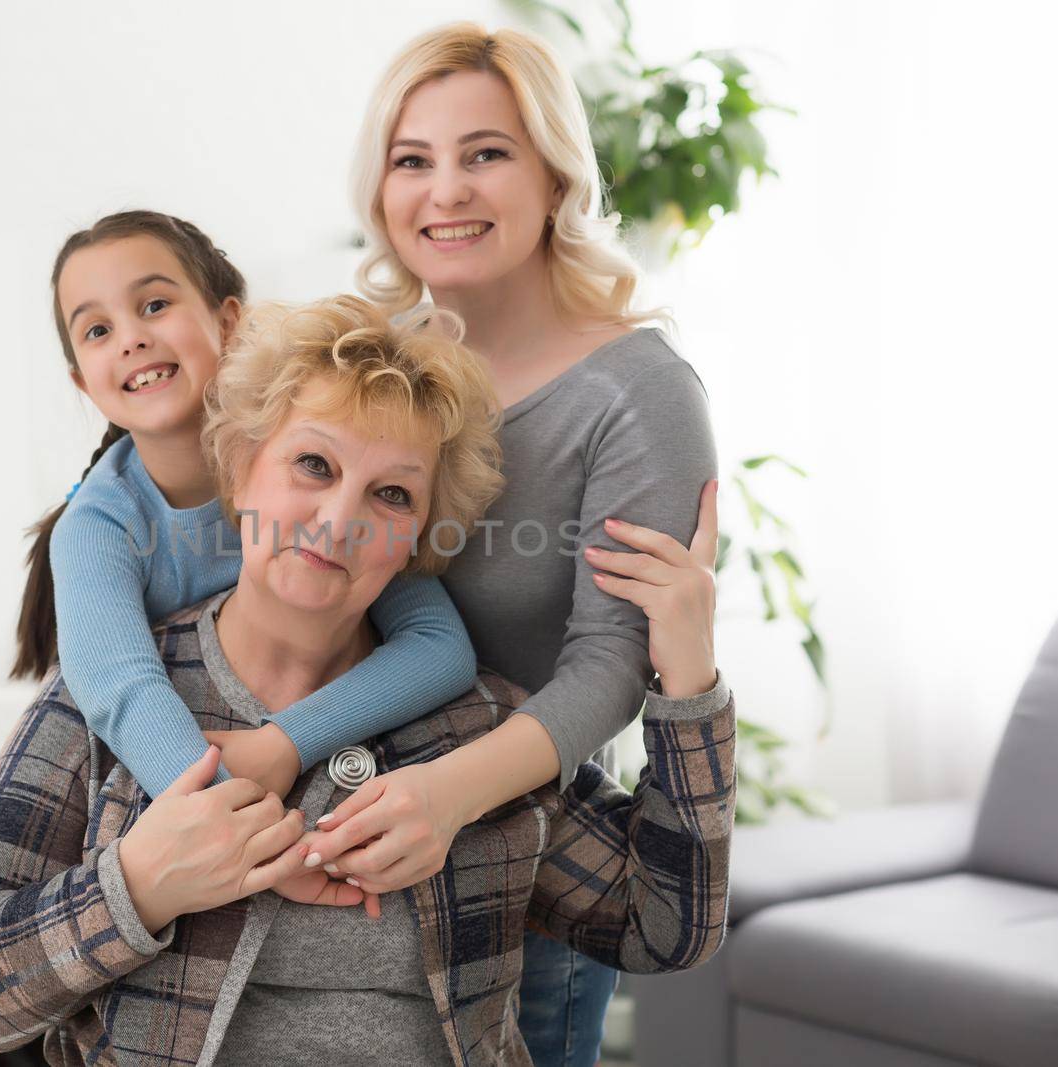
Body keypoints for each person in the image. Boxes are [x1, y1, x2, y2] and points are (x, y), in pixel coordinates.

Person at [0, 295, 735, 1066]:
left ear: (418, 536)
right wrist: (138, 886)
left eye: (389, 493)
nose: (339, 521)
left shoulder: (472, 726)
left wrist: (689, 678)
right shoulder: (115, 700)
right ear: (240, 471)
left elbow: (664, 926)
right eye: (313, 464)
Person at [268, 24, 725, 1065]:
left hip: (519, 874)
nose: (445, 192)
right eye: (411, 160)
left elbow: (611, 663)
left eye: (485, 153)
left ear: (554, 174)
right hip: (339, 854)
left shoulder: (638, 391)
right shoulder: (374, 359)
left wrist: (446, 793)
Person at [11, 210, 479, 824]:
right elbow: (122, 694)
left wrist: (287, 743)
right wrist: (238, 827)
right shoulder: (96, 527)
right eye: (97, 330)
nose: (129, 338)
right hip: (182, 792)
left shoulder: (336, 467)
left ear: (229, 322)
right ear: (82, 381)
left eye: (153, 305)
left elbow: (439, 646)